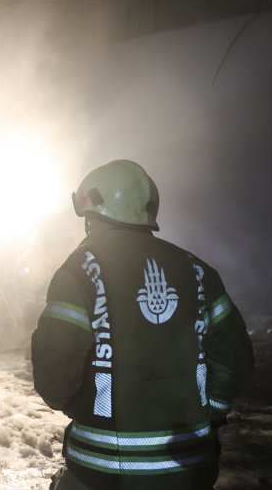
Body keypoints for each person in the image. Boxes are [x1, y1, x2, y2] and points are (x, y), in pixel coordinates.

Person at [31, 159, 254, 490]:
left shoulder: (79, 269)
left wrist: (82, 406)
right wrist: (214, 411)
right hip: (192, 467)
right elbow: (235, 357)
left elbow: (54, 373)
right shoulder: (199, 270)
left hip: (103, 472)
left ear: (92, 213)